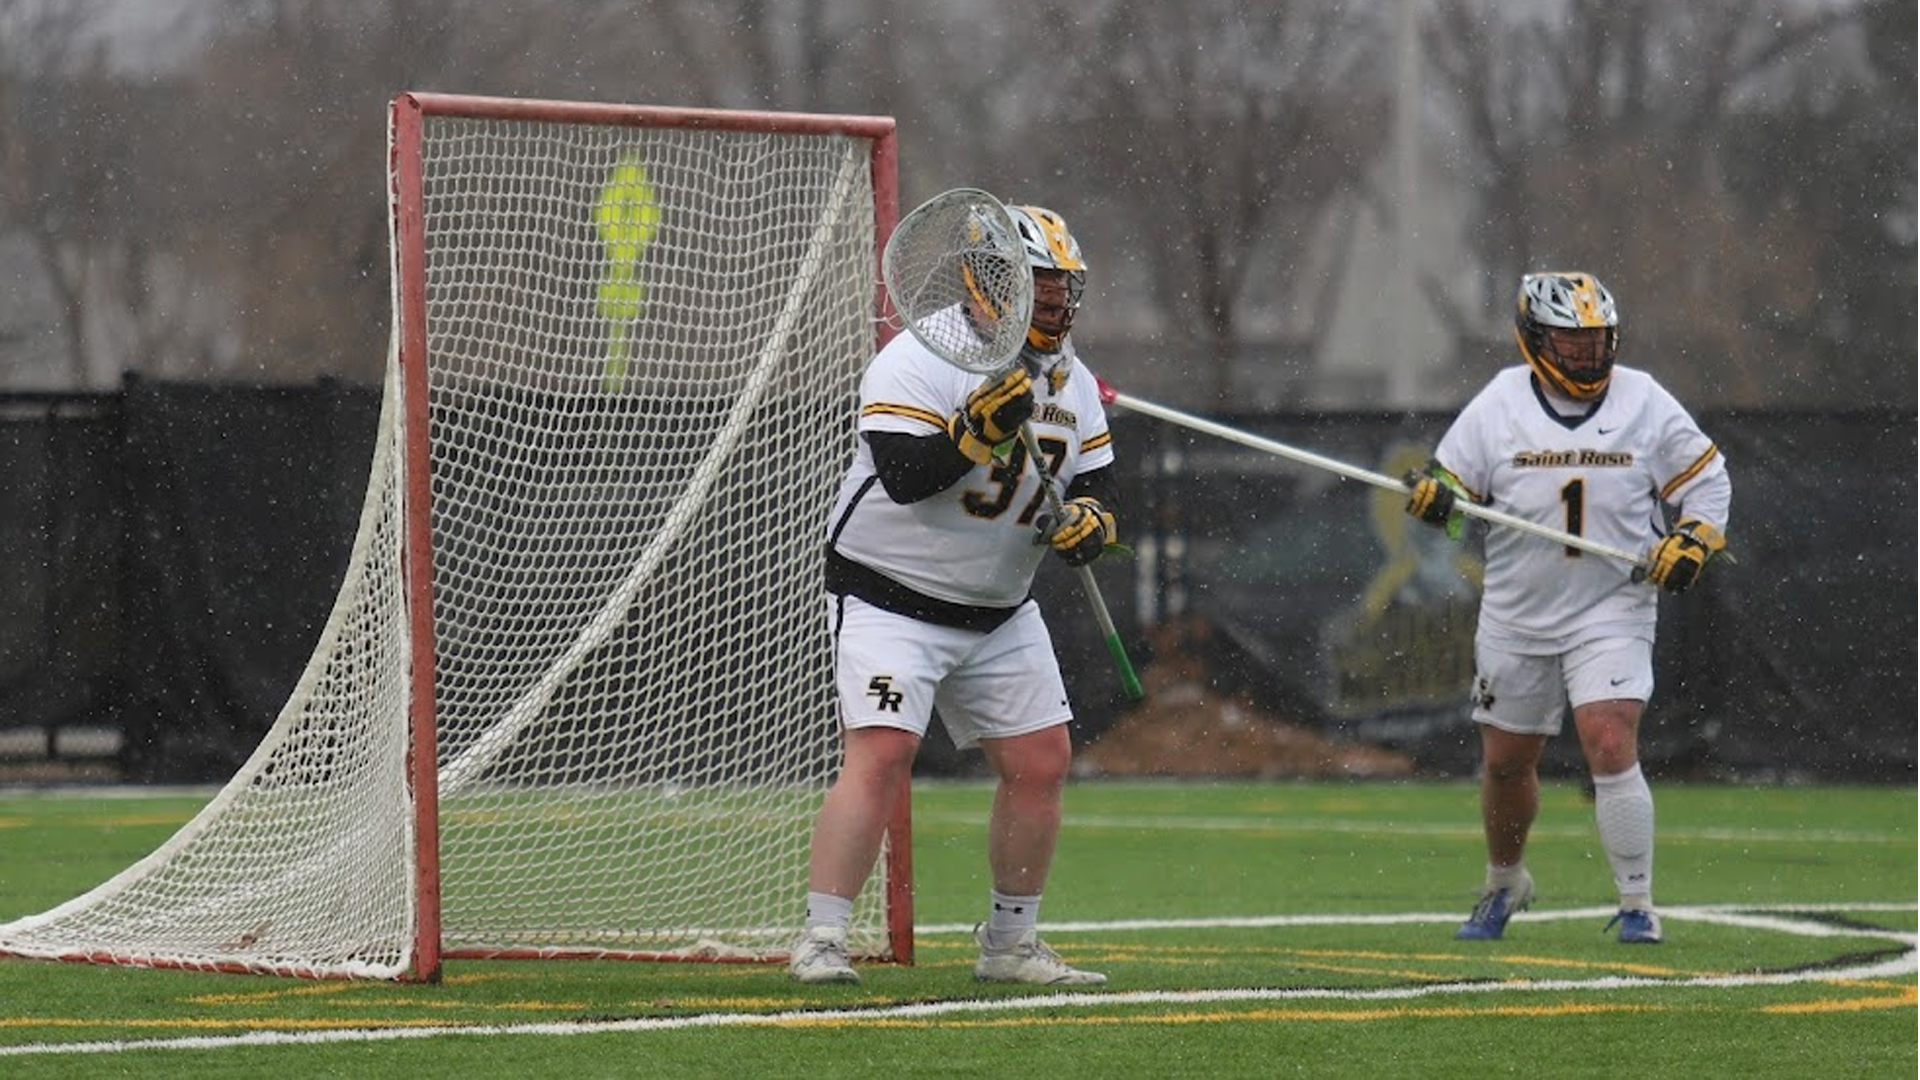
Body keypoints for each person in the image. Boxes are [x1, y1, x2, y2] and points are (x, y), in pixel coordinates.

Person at [788, 204, 1116, 986]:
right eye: (1038, 283)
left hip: (998, 608)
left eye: (1063, 286)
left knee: (1042, 760)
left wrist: (1093, 523)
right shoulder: (920, 356)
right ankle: (823, 938)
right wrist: (972, 433)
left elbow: (1097, 482)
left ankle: (1010, 943)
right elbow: (904, 477)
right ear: (988, 278)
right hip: (891, 595)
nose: (1053, 301)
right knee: (884, 751)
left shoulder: (1072, 379)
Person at [1403, 271, 1732, 945]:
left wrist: (1695, 537)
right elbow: (1454, 495)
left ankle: (1637, 903)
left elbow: (1707, 480)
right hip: (1518, 611)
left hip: (1612, 604)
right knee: (1506, 761)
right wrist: (1436, 502)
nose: (1587, 355)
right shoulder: (1500, 403)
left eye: (1597, 341)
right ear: (1534, 339)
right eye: (1571, 342)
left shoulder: (1643, 401)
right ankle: (1504, 882)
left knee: (1608, 738)